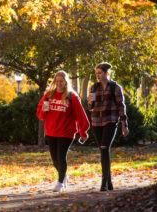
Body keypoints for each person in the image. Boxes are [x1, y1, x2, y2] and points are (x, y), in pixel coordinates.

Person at [37, 70, 90, 192]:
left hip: (66, 132)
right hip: (51, 131)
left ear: (66, 82)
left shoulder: (72, 96)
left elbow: (80, 116)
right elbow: (41, 115)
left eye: (62, 81)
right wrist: (45, 109)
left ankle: (60, 183)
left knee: (61, 156)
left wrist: (83, 132)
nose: (59, 83)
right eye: (57, 81)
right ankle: (64, 175)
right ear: (54, 82)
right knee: (55, 159)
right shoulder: (49, 95)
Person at [88, 62, 129, 191]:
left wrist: (124, 124)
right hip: (96, 121)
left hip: (110, 121)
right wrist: (89, 102)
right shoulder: (93, 87)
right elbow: (90, 107)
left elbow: (121, 106)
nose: (98, 76)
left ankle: (104, 183)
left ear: (106, 73)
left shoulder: (115, 87)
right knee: (103, 150)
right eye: (96, 74)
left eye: (100, 73)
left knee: (105, 147)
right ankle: (109, 182)